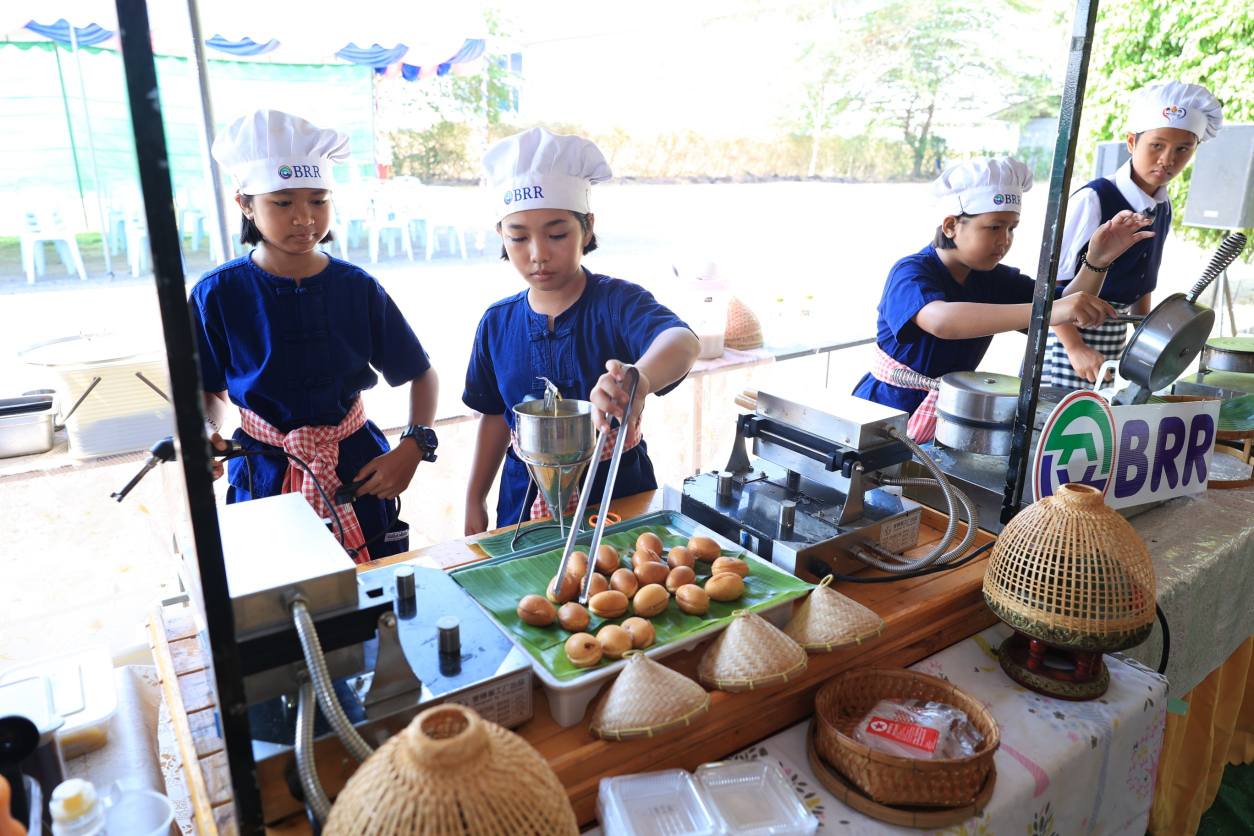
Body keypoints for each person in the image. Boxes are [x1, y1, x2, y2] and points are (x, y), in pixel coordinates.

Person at [191, 110, 439, 562]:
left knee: (372, 584)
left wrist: (413, 446)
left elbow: (421, 374)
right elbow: (209, 391)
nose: (304, 218)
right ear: (245, 204)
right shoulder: (217, 294)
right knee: (274, 584)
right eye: (283, 203)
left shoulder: (357, 287)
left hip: (356, 470)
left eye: (318, 200)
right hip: (264, 473)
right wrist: (203, 430)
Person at [463, 127, 700, 533]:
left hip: (618, 496)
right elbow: (495, 417)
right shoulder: (496, 324)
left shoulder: (617, 303)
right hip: (523, 501)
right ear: (501, 234)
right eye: (518, 237)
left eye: (557, 234)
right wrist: (474, 499)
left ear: (587, 228)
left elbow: (682, 341)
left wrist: (640, 379)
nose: (538, 254)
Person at [852, 156, 1153, 441]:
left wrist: (1097, 260)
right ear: (951, 226)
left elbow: (1067, 305)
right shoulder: (911, 272)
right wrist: (1050, 311)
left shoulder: (993, 278)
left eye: (1011, 228)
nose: (1005, 239)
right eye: (994, 227)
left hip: (950, 412)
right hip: (884, 412)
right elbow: (943, 321)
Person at [1042, 81, 1224, 388]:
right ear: (1131, 142)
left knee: (1099, 414)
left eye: (1183, 149)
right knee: (1057, 414)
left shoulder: (1162, 206)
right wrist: (1075, 347)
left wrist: (1145, 339)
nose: (1168, 159)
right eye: (1157, 145)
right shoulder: (1094, 199)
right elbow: (1049, 287)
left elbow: (1143, 281)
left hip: (1115, 332)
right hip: (1066, 334)